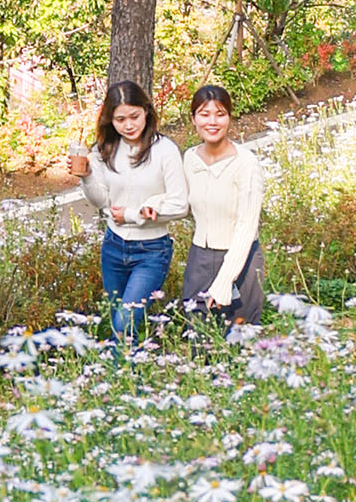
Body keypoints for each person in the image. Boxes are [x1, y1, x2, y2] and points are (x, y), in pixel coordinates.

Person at [65, 80, 186, 346]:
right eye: (120, 119)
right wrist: (85, 176)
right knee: (118, 320)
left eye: (134, 116)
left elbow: (179, 204)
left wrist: (133, 214)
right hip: (113, 247)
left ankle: (116, 377)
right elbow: (101, 201)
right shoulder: (104, 150)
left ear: (147, 111)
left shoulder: (164, 150)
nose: (129, 125)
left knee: (124, 322)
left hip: (152, 250)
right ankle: (128, 376)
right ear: (110, 120)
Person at [179, 84, 266, 329]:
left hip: (242, 259)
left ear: (230, 117)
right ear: (194, 119)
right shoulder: (190, 158)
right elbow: (182, 205)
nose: (212, 122)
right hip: (201, 259)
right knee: (198, 335)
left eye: (220, 113)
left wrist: (225, 280)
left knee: (240, 339)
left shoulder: (245, 163)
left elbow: (246, 227)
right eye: (204, 114)